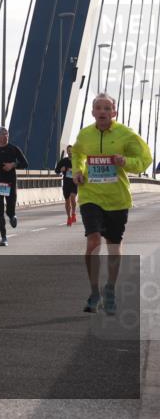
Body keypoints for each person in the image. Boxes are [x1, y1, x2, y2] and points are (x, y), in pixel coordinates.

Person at [71, 93, 151, 315]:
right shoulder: (85, 134)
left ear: (114, 112)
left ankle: (110, 290)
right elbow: (77, 153)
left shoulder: (126, 134)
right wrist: (78, 171)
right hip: (91, 195)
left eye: (107, 108)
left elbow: (145, 160)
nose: (103, 111)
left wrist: (126, 162)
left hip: (117, 199)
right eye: (99, 107)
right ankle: (94, 291)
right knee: (93, 241)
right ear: (93, 112)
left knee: (113, 245)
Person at [0, 126, 29, 246]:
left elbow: (25, 163)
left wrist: (13, 165)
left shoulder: (14, 149)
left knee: (9, 210)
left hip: (10, 183)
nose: (5, 137)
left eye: (7, 134)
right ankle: (4, 238)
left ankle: (12, 216)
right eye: (3, 135)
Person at [54, 145, 78, 226]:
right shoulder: (63, 161)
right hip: (66, 183)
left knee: (73, 198)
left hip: (74, 182)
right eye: (69, 151)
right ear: (67, 152)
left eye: (71, 150)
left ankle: (73, 213)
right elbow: (56, 170)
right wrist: (61, 169)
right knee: (67, 201)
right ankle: (69, 217)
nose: (70, 152)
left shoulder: (77, 161)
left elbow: (82, 169)